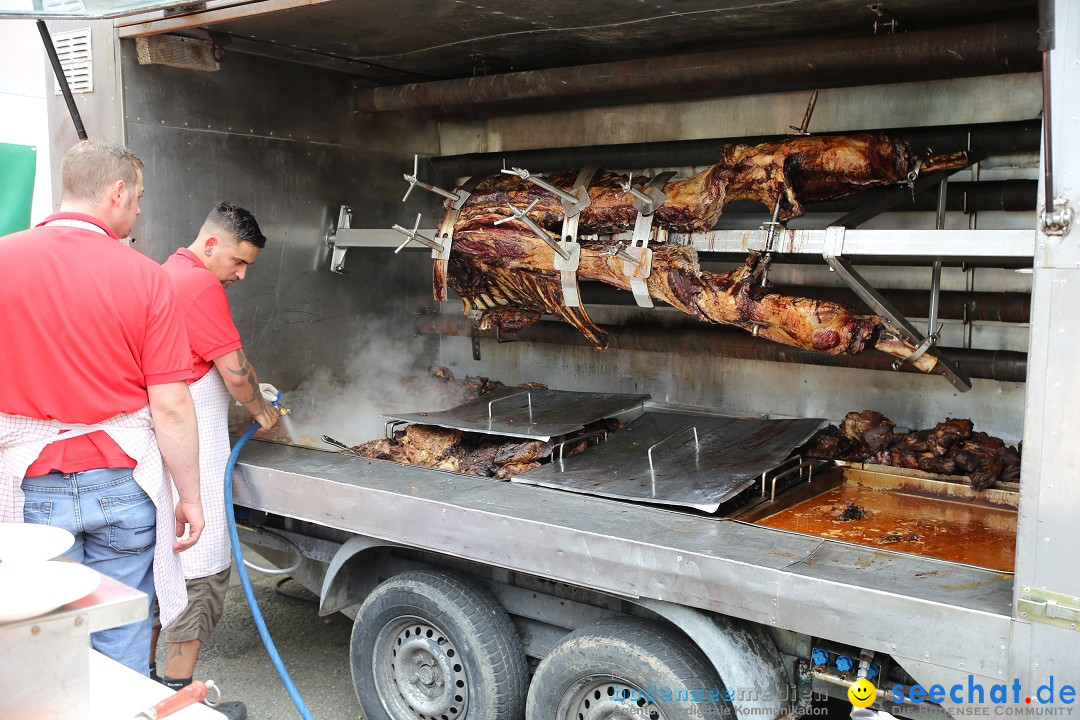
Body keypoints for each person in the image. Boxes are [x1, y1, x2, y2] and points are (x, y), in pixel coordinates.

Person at [0, 138, 204, 673]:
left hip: (31, 487)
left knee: (47, 641)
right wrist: (191, 495)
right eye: (137, 198)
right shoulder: (146, 276)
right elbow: (173, 406)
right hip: (124, 484)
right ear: (115, 192)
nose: (138, 210)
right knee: (120, 634)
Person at [151, 201, 280, 720]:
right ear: (211, 245)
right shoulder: (200, 284)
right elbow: (233, 371)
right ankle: (180, 700)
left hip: (164, 450)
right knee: (198, 575)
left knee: (163, 572)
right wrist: (262, 409)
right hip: (194, 457)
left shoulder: (167, 273)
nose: (242, 275)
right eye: (238, 262)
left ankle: (148, 688)